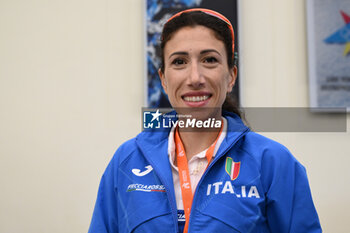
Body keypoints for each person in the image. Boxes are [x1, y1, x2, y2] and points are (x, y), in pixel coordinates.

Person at [88, 8, 322, 233]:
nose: (195, 78)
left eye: (209, 60)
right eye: (179, 62)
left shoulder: (273, 162)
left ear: (231, 76)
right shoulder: (126, 161)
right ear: (163, 79)